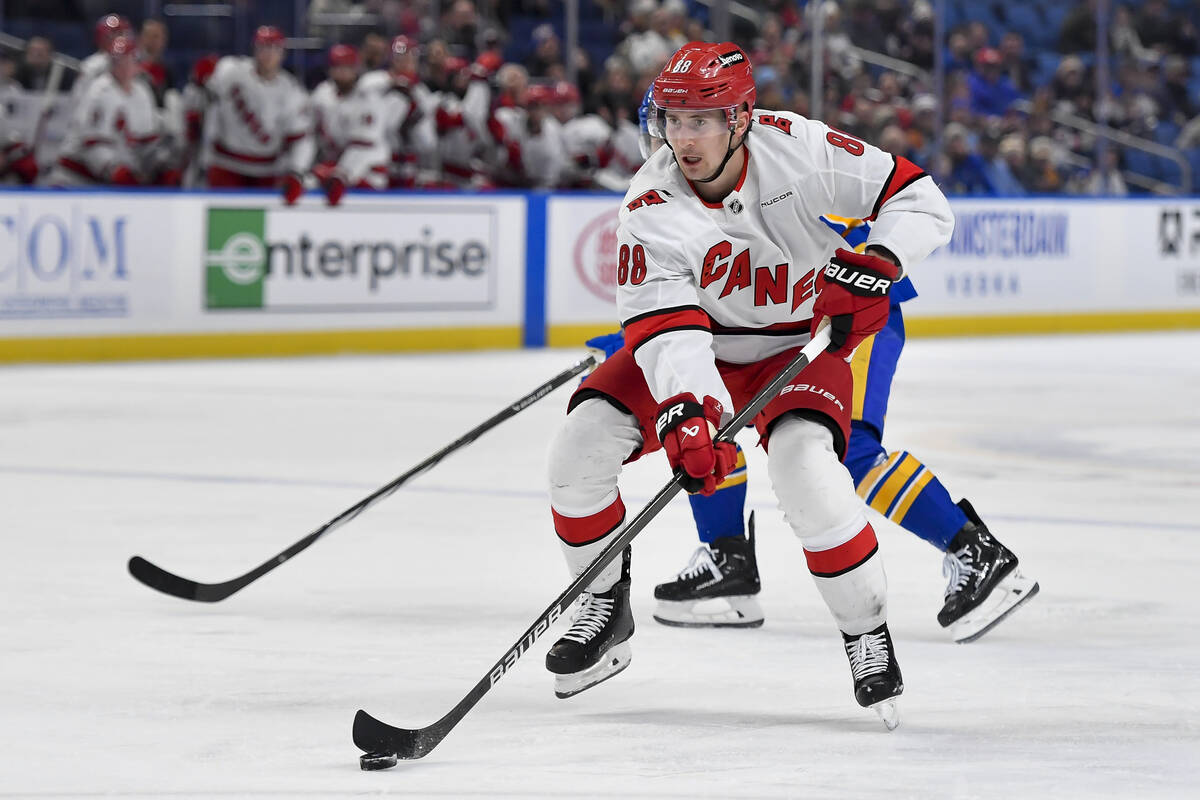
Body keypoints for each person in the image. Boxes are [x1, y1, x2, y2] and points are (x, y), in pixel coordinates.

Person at [543, 42, 954, 728]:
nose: (683, 138)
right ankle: (602, 605)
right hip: (706, 344)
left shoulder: (799, 148)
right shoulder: (650, 200)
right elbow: (669, 331)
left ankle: (865, 631)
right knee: (579, 447)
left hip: (796, 344)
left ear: (740, 120)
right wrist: (690, 411)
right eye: (672, 120)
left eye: (700, 121)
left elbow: (918, 197)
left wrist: (879, 257)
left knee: (805, 469)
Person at [201, 26, 312, 203]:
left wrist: (297, 173)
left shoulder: (292, 90)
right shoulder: (230, 71)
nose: (268, 54)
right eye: (263, 48)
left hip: (266, 171)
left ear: (282, 53)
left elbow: (301, 139)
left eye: (274, 49)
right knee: (223, 224)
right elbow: (205, 102)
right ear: (255, 49)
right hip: (226, 164)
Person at [44, 35, 160, 186]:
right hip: (78, 175)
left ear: (137, 63)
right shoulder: (98, 91)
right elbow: (92, 143)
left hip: (110, 176)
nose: (122, 66)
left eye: (127, 60)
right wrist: (114, 169)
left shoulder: (142, 91)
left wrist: (157, 164)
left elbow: (146, 138)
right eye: (117, 61)